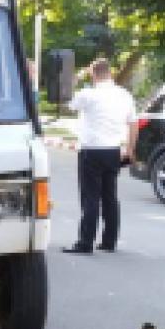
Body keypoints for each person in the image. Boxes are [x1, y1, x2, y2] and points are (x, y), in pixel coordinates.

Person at [63, 58, 137, 253]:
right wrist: (129, 148)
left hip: (92, 151)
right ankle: (109, 241)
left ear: (93, 74)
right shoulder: (124, 95)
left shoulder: (88, 94)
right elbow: (133, 124)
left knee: (90, 198)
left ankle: (85, 242)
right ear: (110, 73)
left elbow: (68, 104)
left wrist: (76, 78)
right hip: (113, 150)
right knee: (110, 197)